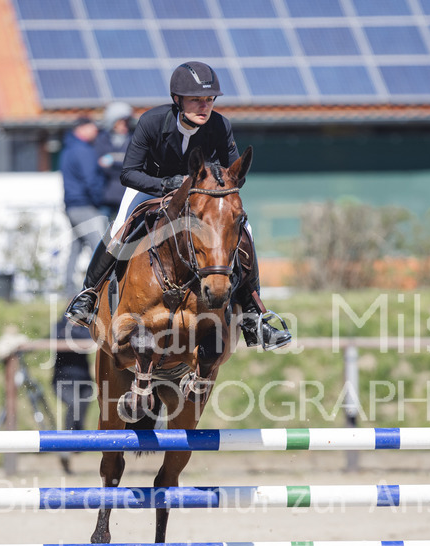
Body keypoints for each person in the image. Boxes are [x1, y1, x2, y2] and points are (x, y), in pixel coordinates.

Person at [64, 62, 292, 351]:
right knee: (120, 226)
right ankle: (88, 296)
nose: (204, 106)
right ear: (177, 99)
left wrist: (211, 189)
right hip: (150, 187)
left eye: (209, 100)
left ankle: (253, 315)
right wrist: (167, 184)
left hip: (199, 195)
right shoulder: (152, 122)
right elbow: (128, 173)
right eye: (196, 99)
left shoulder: (220, 125)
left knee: (245, 229)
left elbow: (232, 176)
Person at [60, 116, 108, 295]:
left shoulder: (68, 149)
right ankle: (97, 293)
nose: (96, 131)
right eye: (93, 127)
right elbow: (91, 181)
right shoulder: (83, 151)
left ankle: (70, 294)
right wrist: (100, 200)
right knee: (100, 251)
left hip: (72, 207)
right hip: (85, 206)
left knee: (76, 250)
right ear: (82, 128)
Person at [52, 314, 94, 474]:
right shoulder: (58, 325)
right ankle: (68, 445)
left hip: (84, 381)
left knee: (80, 411)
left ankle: (75, 441)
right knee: (74, 404)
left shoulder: (85, 327)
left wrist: (73, 334)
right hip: (63, 380)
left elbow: (90, 338)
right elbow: (58, 336)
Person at [95, 101, 134, 223]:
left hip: (126, 193)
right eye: (121, 122)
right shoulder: (102, 139)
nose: (124, 126)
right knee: (102, 231)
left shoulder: (134, 139)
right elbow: (100, 164)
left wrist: (112, 159)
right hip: (106, 195)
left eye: (126, 122)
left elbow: (133, 163)